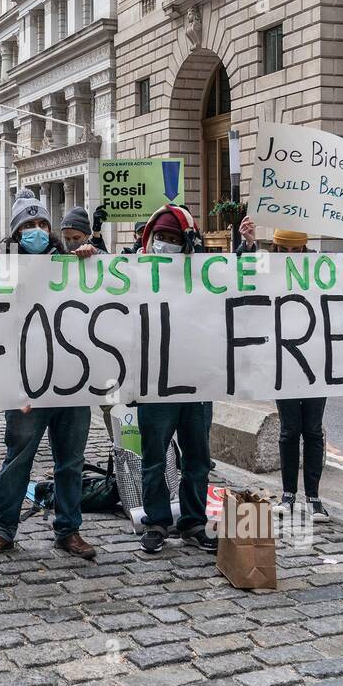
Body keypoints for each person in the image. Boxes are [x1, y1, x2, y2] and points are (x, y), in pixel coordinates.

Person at [235, 195, 343, 522]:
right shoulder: (264, 266)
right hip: (283, 360)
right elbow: (239, 277)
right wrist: (246, 243)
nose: (290, 256)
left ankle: (313, 497)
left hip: (316, 359)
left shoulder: (321, 267)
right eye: (283, 250)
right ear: (274, 248)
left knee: (313, 429)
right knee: (290, 430)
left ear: (304, 249)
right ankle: (288, 494)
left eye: (295, 250)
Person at [0, 188, 100, 560]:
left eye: (42, 223)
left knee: (71, 460)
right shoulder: (5, 269)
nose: (36, 229)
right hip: (27, 383)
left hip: (71, 381)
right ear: (16, 233)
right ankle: (2, 529)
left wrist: (93, 257)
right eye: (28, 225)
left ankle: (69, 529)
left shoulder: (71, 263)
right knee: (18, 457)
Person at [134, 202, 219, 555]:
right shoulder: (133, 272)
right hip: (155, 382)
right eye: (160, 237)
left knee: (197, 457)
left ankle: (193, 522)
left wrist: (245, 246)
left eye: (172, 237)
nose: (164, 244)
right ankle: (156, 522)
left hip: (196, 381)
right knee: (154, 456)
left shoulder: (203, 275)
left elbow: (240, 288)